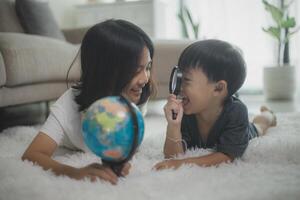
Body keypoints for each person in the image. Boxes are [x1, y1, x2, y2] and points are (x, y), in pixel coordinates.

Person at [22, 19, 155, 184]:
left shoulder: (137, 96)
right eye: (136, 70)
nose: (145, 79)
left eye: (148, 67)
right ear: (106, 71)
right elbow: (32, 155)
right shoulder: (69, 103)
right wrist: (73, 172)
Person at [154, 39, 276, 170]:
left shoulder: (236, 112)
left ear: (218, 88)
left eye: (186, 80)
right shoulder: (186, 111)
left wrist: (183, 163)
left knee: (259, 126)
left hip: (244, 131)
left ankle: (268, 114)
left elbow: (226, 156)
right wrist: (174, 126)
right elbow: (173, 156)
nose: (179, 87)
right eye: (179, 78)